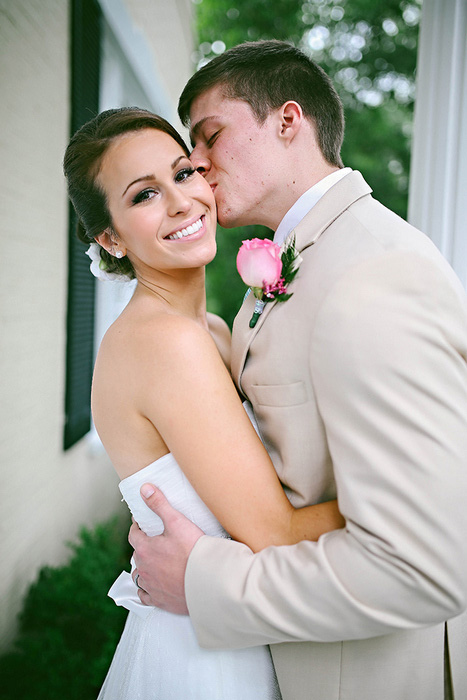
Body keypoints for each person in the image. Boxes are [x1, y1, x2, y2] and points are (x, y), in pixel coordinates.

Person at [129, 41, 467, 700]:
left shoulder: (373, 275)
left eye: (210, 135)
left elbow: (424, 566)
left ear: (289, 121)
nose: (194, 163)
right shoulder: (292, 263)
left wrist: (201, 582)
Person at [63, 106, 346, 700]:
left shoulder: (213, 329)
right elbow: (274, 531)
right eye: (144, 195)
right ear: (109, 238)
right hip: (205, 664)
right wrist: (421, 493)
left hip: (238, 623)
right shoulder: (162, 344)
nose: (181, 203)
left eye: (184, 174)